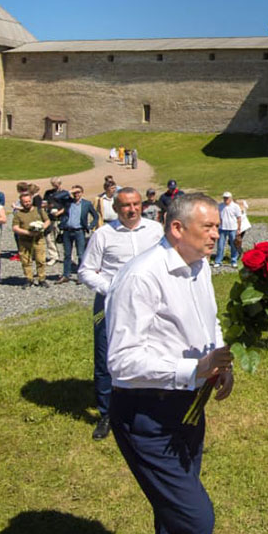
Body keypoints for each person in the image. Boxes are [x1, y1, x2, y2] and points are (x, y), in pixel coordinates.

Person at [106, 192, 233, 534]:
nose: (215, 235)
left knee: (175, 519)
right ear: (177, 228)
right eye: (207, 227)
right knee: (195, 522)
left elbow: (210, 322)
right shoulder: (140, 277)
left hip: (189, 408)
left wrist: (218, 361)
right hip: (147, 415)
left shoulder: (200, 265)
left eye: (217, 227)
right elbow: (121, 361)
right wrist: (194, 368)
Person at [80, 187, 163, 441]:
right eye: (126, 205)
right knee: (107, 356)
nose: (132, 209)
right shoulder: (103, 235)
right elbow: (86, 271)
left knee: (151, 351)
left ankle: (147, 409)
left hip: (149, 303)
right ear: (115, 209)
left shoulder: (155, 231)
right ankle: (108, 413)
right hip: (110, 304)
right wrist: (113, 289)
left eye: (136, 204)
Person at [59, 185, 99, 282]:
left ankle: (80, 275)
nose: (76, 194)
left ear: (82, 193)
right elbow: (57, 197)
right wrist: (69, 191)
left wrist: (89, 226)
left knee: (81, 254)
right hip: (67, 231)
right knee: (67, 254)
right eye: (75, 192)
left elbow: (96, 216)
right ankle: (66, 275)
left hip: (79, 231)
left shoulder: (86, 204)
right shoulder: (68, 202)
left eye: (78, 192)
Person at [12, 191, 50, 287]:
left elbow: (47, 221)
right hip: (24, 241)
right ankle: (29, 278)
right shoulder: (18, 214)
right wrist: (28, 233)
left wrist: (42, 228)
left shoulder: (39, 210)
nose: (27, 203)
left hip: (38, 239)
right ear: (21, 202)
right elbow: (15, 228)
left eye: (28, 201)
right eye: (25, 202)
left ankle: (41, 278)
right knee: (26, 261)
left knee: (40, 260)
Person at [214, 192, 244, 268]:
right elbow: (218, 217)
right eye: (224, 197)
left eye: (227, 198)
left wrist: (239, 228)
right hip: (222, 228)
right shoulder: (220, 206)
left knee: (233, 245)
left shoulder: (235, 206)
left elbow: (239, 218)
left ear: (230, 198)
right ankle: (218, 261)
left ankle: (233, 261)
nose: (225, 199)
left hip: (232, 228)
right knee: (220, 245)